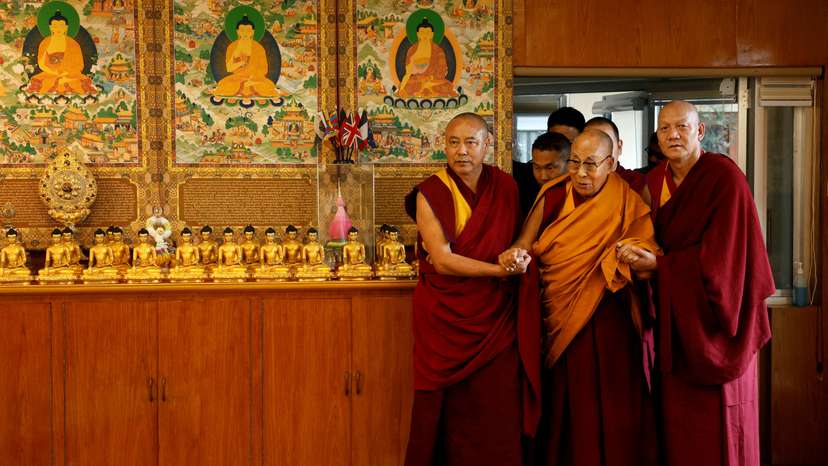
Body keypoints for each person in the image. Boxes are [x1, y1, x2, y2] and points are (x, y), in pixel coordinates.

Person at [616, 100, 774, 466]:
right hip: (678, 323)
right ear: (656, 135)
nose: (673, 135)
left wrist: (660, 267)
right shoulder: (654, 182)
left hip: (720, 324)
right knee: (678, 431)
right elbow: (647, 236)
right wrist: (639, 254)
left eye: (682, 127)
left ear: (699, 131)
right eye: (665, 128)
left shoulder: (724, 178)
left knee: (722, 430)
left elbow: (726, 260)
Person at [502, 129, 659, 466]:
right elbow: (524, 244)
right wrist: (514, 257)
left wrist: (635, 255)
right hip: (559, 315)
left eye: (591, 165)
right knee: (565, 403)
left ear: (612, 163)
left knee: (613, 403)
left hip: (610, 314)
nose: (581, 174)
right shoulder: (553, 193)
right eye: (574, 163)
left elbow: (647, 251)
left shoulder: (628, 200)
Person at [403, 112, 538, 466]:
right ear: (443, 145)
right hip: (447, 317)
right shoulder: (430, 192)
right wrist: (499, 270)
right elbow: (443, 260)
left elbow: (516, 238)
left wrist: (517, 257)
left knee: (494, 403)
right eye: (453, 143)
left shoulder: (506, 186)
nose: (461, 151)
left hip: (494, 315)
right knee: (442, 405)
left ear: (487, 145)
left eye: (471, 142)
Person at [27, 11, 97, 95]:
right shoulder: (45, 42)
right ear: (50, 27)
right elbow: (41, 63)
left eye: (61, 25)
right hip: (50, 73)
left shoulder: (72, 43)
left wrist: (66, 73)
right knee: (38, 81)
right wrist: (53, 72)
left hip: (70, 74)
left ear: (66, 27)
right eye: (55, 26)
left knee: (78, 82)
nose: (58, 29)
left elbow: (79, 64)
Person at [210, 16, 280, 98]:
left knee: (268, 85)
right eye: (242, 30)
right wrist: (241, 62)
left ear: (253, 32)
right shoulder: (232, 47)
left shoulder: (258, 47)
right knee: (224, 84)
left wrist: (252, 79)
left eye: (248, 30)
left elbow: (264, 69)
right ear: (238, 32)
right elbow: (229, 68)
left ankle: (251, 86)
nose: (245, 33)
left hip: (255, 79)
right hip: (237, 79)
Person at [397, 18, 458, 98]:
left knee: (446, 85)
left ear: (432, 34)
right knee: (408, 85)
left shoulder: (437, 50)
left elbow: (442, 69)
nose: (425, 35)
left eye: (427, 32)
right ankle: (427, 89)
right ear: (418, 34)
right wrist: (402, 89)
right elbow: (408, 73)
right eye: (422, 32)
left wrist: (430, 78)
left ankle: (425, 89)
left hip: (433, 80)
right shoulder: (412, 50)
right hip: (417, 81)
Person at [584, 116, 646, 192]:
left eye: (606, 143)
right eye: (591, 144)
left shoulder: (636, 182)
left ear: (619, 147)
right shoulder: (576, 182)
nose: (598, 151)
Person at [517, 132, 571, 216]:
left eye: (550, 168)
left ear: (569, 164)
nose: (543, 176)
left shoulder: (579, 194)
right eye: (537, 167)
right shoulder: (525, 195)